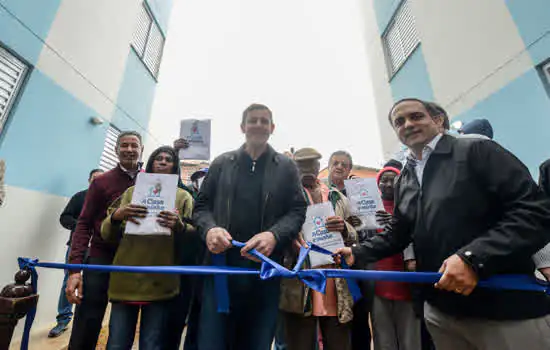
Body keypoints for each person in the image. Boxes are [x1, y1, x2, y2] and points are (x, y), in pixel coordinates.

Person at [336, 98, 550, 350]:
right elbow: (399, 234)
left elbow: (534, 211)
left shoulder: (477, 151)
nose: (408, 124)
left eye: (416, 116)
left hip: (504, 311)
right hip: (442, 315)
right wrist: (357, 252)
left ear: (438, 121)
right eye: (399, 121)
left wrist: (472, 258)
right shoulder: (405, 178)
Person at [193, 103, 306, 350]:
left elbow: (298, 210)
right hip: (221, 270)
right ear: (242, 126)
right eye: (253, 120)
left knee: (256, 343)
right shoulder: (222, 163)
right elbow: (200, 207)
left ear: (272, 128)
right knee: (213, 342)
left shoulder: (286, 168)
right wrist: (210, 229)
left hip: (265, 272)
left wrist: (275, 235)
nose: (258, 125)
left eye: (264, 121)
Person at [100, 146, 194, 349]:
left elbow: (194, 239)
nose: (162, 162)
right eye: (157, 158)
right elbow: (106, 234)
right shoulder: (131, 193)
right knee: (117, 343)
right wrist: (116, 216)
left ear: (174, 166)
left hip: (160, 281)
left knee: (151, 344)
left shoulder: (183, 197)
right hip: (126, 278)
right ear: (150, 163)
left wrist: (179, 225)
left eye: (167, 159)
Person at [66, 131, 143, 350]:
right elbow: (83, 224)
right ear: (116, 149)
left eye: (134, 145)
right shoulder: (101, 182)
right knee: (87, 320)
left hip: (133, 262)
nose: (129, 149)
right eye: (124, 145)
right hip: (101, 258)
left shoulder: (151, 181)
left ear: (141, 150)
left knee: (123, 325)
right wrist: (74, 270)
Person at [279, 147, 357, 350]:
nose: (307, 170)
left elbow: (357, 232)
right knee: (300, 341)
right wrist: (289, 238)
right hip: (299, 279)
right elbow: (273, 232)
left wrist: (344, 228)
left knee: (338, 340)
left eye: (311, 165)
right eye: (301, 166)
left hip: (334, 279)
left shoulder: (336, 197)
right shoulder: (283, 198)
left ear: (319, 167)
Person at [48, 169, 104, 338]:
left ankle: (85, 321)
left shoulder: (109, 199)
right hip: (76, 247)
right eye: (94, 179)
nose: (97, 182)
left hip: (98, 250)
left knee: (93, 284)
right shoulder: (79, 197)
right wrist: (81, 226)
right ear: (89, 180)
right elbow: (64, 217)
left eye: (101, 180)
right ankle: (63, 320)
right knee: (70, 281)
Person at [327, 150, 373, 350]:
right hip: (329, 262)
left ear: (349, 170)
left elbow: (369, 226)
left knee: (360, 314)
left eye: (344, 165)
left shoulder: (360, 193)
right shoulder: (320, 193)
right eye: (335, 163)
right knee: (335, 318)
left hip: (357, 261)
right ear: (329, 166)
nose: (339, 167)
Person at [371, 166, 420, 350]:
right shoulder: (368, 209)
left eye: (393, 180)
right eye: (384, 180)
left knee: (410, 338)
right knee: (384, 338)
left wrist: (394, 223)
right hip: (377, 282)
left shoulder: (411, 207)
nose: (388, 184)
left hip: (407, 280)